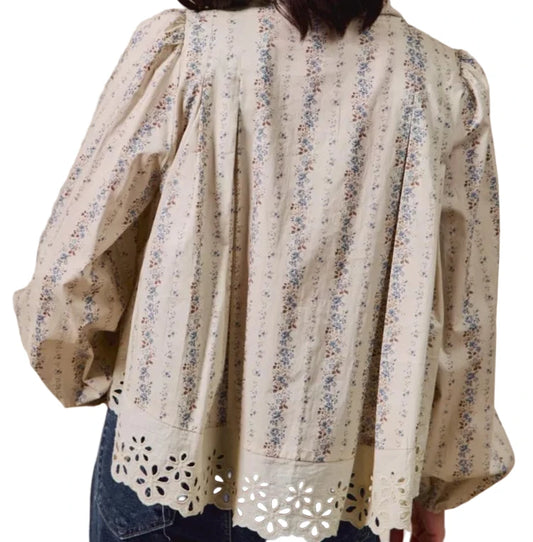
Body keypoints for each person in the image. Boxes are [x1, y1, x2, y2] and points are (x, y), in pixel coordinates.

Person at [12, 1, 515, 542]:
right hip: (345, 480)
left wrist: (86, 371)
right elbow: (465, 316)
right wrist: (434, 487)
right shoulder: (442, 85)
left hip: (165, 449)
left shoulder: (192, 51)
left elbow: (77, 256)